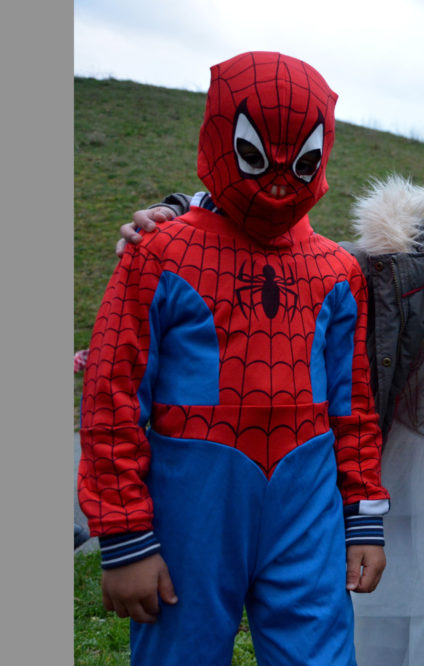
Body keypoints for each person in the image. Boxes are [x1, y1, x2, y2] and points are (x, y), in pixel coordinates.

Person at [117, 144, 424, 665]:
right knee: (388, 608)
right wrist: (184, 210)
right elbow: (304, 254)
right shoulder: (408, 275)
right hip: (401, 462)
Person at [78, 51, 389, 665]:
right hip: (190, 506)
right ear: (221, 134)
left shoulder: (339, 270)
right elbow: (111, 394)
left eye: (300, 160)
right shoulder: (158, 254)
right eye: (256, 154)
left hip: (307, 506)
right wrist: (125, 535)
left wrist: (363, 517)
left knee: (320, 654)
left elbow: (354, 407)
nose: (278, 177)